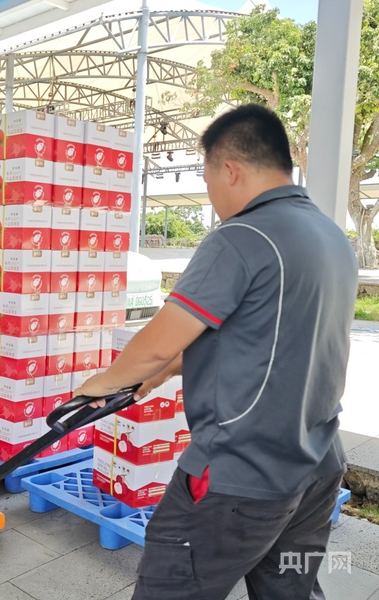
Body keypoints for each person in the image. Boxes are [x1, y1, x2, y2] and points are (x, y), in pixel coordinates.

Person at [73, 104, 357, 599]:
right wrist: (161, 375)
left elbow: (159, 338)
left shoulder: (243, 236)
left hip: (239, 478)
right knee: (288, 591)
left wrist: (98, 384)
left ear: (231, 170)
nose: (211, 196)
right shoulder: (331, 236)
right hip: (316, 472)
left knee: (171, 586)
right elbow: (260, 339)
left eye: (207, 181)